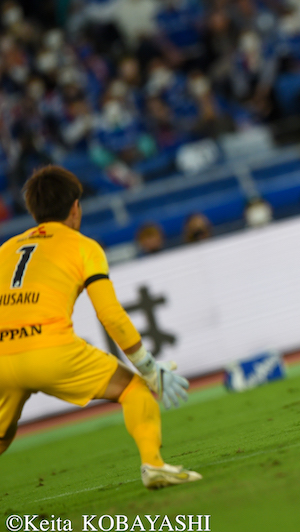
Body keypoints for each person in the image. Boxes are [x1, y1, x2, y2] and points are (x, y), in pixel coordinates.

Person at [0, 166, 201, 489]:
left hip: (2, 358)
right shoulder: (84, 246)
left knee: (2, 437)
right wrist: (148, 367)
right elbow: (110, 314)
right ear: (75, 207)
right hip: (51, 351)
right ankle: (154, 464)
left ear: (33, 210)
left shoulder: (6, 249)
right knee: (134, 389)